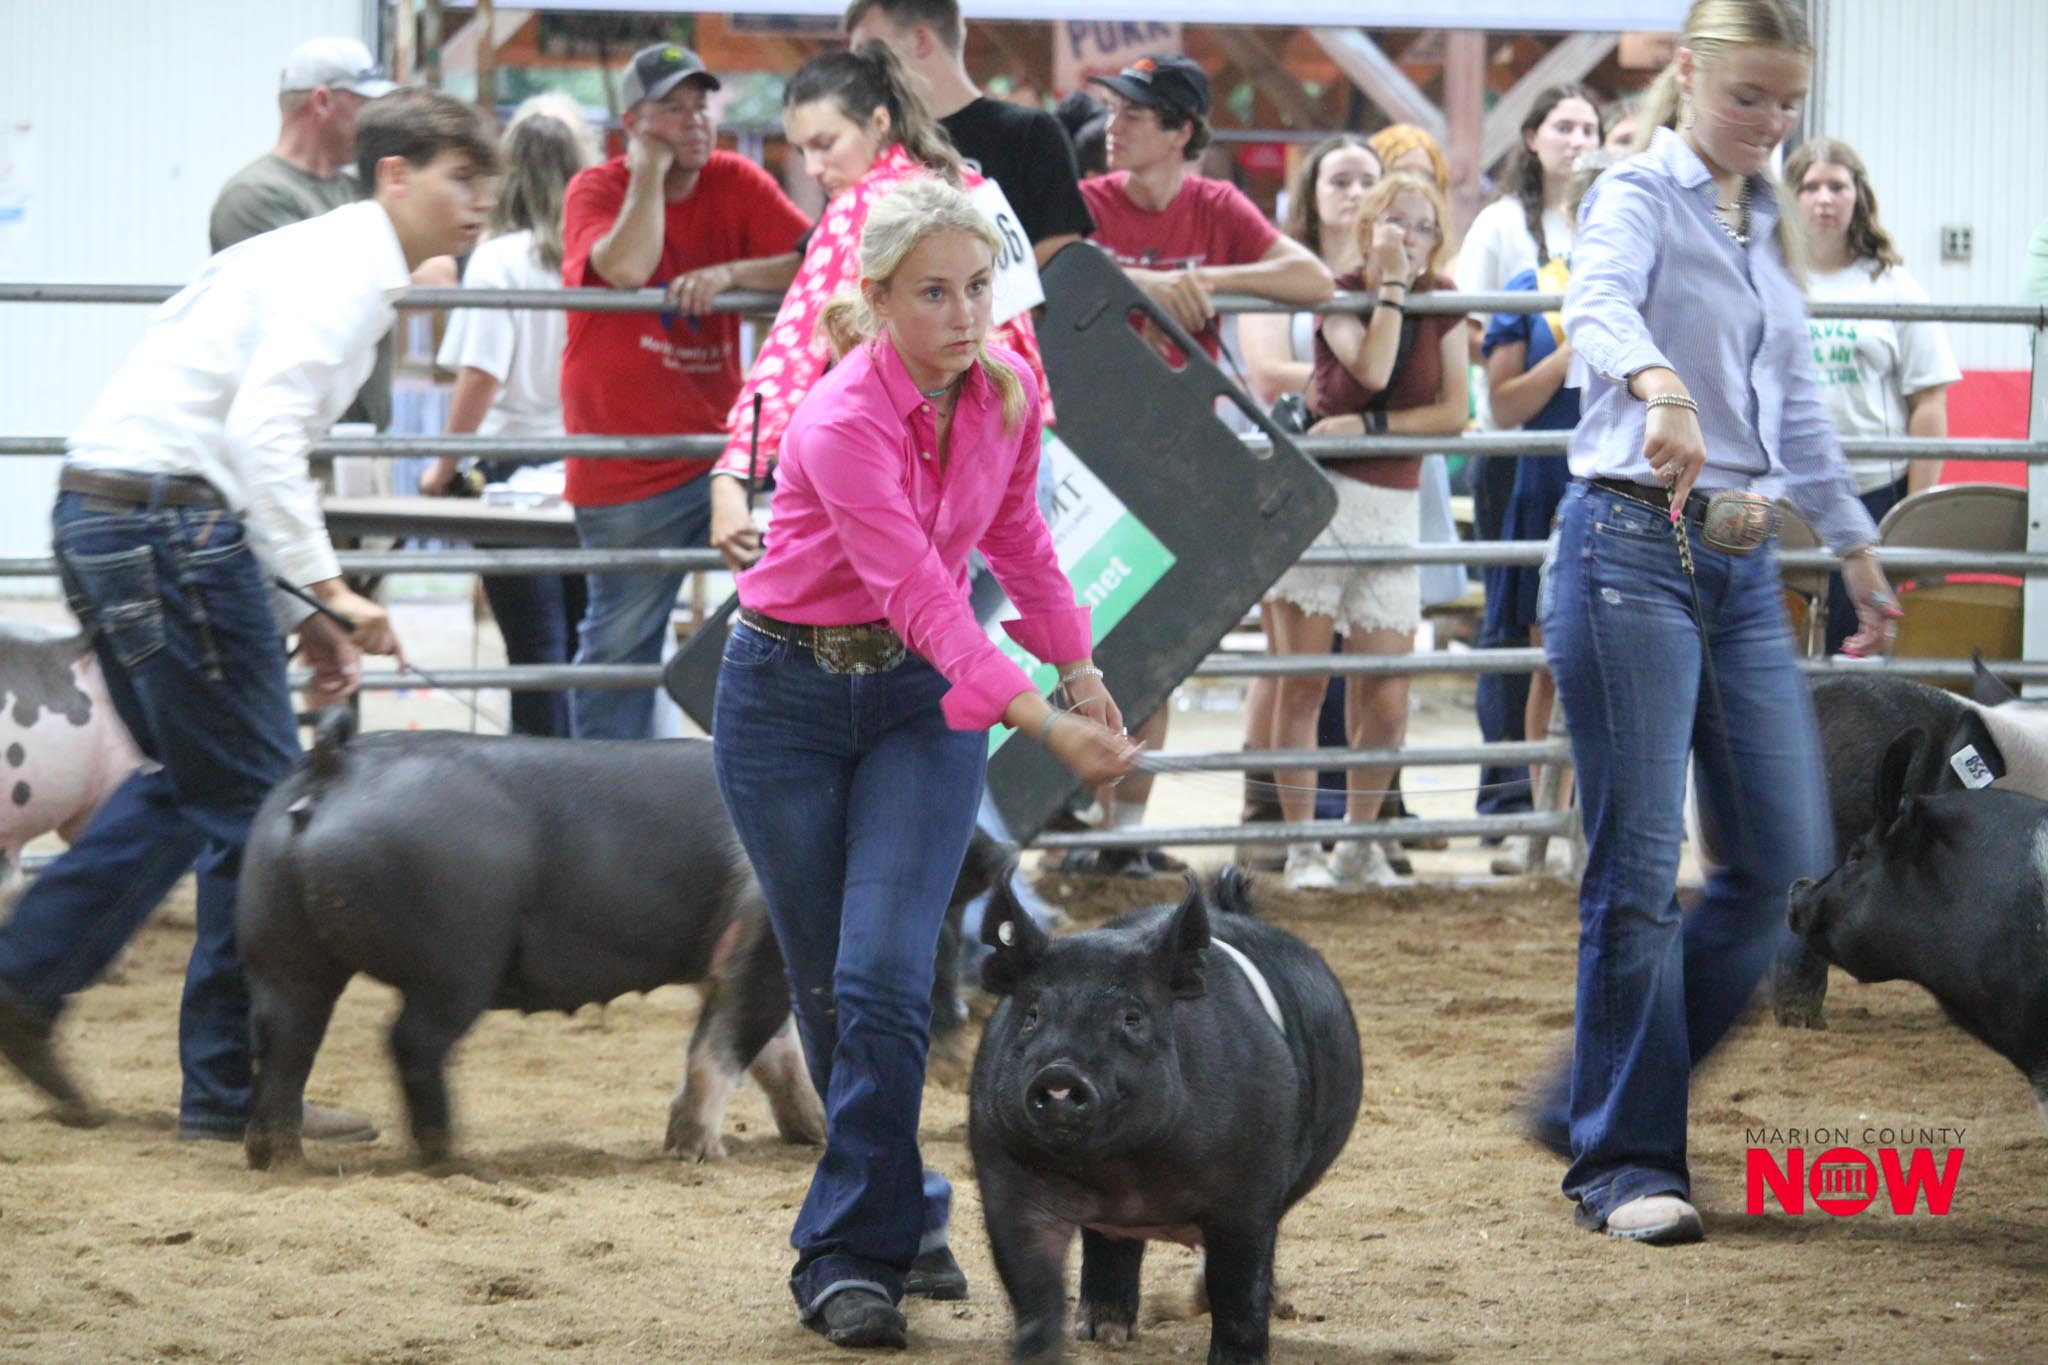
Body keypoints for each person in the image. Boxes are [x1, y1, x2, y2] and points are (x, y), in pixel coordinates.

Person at [0, 88, 496, 1142]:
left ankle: (28, 976)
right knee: (266, 809)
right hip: (171, 524)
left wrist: (303, 606)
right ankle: (227, 1085)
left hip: (106, 509)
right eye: (461, 179)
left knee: (197, 784)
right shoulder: (349, 275)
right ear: (394, 175)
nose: (479, 203)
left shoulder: (311, 256)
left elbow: (240, 439)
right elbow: (262, 437)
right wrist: (331, 590)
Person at [711, 177, 1138, 1349]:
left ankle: (848, 1254)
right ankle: (898, 1215)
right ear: (880, 299)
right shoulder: (838, 420)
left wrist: (1080, 670)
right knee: (834, 988)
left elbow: (1021, 544)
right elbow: (922, 602)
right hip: (785, 702)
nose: (964, 315)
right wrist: (1045, 721)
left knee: (885, 982)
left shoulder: (1003, 393)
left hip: (917, 708)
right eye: (934, 293)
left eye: (978, 288)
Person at [1533, 0, 1900, 1245]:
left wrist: (1854, 548)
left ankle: (1591, 1100)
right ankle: (1622, 1164)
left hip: (1742, 565)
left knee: (1779, 860)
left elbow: (1792, 412)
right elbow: (1593, 306)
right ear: (1686, 75)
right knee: (1638, 872)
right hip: (1627, 544)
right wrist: (1658, 382)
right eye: (1746, 96)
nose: (1767, 123)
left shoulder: (1763, 224)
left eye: (1785, 102)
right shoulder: (1635, 192)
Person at [1073, 53, 1335, 876]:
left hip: (1172, 453)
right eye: (1114, 111)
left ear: (1181, 131)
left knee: (1153, 647)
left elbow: (1313, 278)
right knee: (1075, 643)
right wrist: (1149, 284)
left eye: (1134, 113)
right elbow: (1045, 267)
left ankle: (1122, 835)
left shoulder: (1216, 206)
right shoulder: (1088, 200)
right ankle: (1080, 820)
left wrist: (1202, 279)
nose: (1113, 126)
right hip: (1089, 447)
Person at [708, 43, 1053, 574]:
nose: (813, 167)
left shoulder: (865, 206)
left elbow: (795, 346)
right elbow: (1025, 339)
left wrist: (735, 470)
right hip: (1020, 470)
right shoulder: (972, 186)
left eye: (825, 144)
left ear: (878, 122)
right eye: (802, 150)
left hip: (935, 481)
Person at [558, 44, 810, 740]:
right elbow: (629, 266)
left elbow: (817, 260)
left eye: (701, 105)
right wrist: (646, 174)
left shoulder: (736, 179)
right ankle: (607, 795)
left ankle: (782, 751)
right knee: (620, 643)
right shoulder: (595, 190)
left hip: (725, 450)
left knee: (804, 596)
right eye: (672, 109)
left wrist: (732, 274)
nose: (695, 121)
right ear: (632, 123)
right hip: (625, 465)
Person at [1259, 173, 1469, 891]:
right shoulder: (1338, 292)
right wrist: (1391, 286)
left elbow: (1454, 413)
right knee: (1304, 684)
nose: (1413, 239)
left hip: (1393, 507)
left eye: (1426, 227)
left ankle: (1359, 840)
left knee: (1386, 690)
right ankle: (1301, 849)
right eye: (1398, 224)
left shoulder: (1444, 299)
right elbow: (1373, 365)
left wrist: (1372, 425)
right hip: (1325, 502)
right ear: (1371, 228)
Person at [420, 109, 595, 737]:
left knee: (535, 646)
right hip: (588, 464)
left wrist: (441, 467)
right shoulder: (597, 259)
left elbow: (480, 375)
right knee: (582, 639)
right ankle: (589, 775)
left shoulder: (498, 260)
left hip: (512, 473)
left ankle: (543, 779)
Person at [1237, 134, 1383, 866]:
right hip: (1296, 471)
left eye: (1367, 180)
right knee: (1289, 658)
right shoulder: (1282, 268)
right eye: (1339, 179)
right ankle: (1268, 815)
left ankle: (1367, 820)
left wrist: (1355, 387)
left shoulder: (1392, 277)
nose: (1353, 193)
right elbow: (1266, 372)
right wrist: (1360, 381)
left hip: (1375, 475)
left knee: (1369, 659)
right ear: (1311, 192)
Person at [1457, 88, 1600, 833]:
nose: (1577, 139)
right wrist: (1548, 349)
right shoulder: (1501, 224)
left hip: (1596, 455)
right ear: (1533, 136)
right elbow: (1471, 325)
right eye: (1563, 125)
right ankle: (1508, 792)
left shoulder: (1621, 242)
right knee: (1512, 621)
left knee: (1579, 633)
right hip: (1520, 452)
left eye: (1589, 128)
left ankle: (1581, 800)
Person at [1479, 150, 1616, 875]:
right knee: (1550, 660)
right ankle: (1541, 824)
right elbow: (1502, 406)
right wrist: (1567, 355)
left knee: (1616, 663)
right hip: (1548, 482)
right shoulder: (1532, 289)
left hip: (1625, 478)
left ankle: (1593, 826)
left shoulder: (1653, 288)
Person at [1786, 137, 1960, 654]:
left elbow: (1929, 402)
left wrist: (1913, 510)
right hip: (1786, 491)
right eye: (1810, 186)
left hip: (1872, 490)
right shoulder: (1769, 279)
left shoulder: (1893, 285)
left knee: (1855, 643)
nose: (1824, 198)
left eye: (1837, 186)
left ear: (1858, 196)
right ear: (1791, 197)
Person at [210, 36, 398, 429]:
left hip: (358, 436)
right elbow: (313, 295)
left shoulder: (359, 191)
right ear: (322, 102)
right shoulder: (254, 196)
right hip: (289, 435)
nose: (375, 123)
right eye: (365, 105)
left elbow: (435, 271)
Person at [843, 0, 1095, 270]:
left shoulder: (1030, 133)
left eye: (868, 52)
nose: (861, 70)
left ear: (920, 41)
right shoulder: (878, 144)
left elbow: (1060, 255)